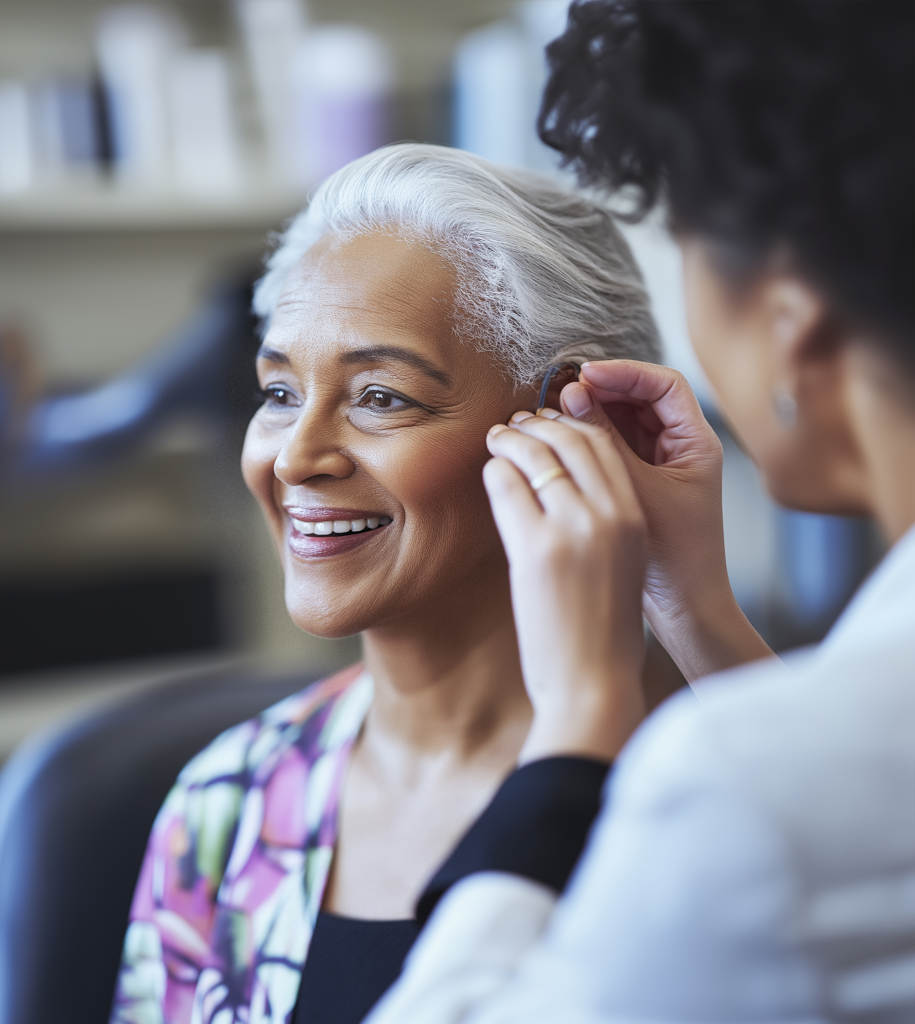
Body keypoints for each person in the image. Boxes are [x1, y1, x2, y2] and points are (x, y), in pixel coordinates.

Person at [364, 2, 915, 1023]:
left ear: (792, 332)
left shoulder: (729, 789)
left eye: (382, 393)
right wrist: (697, 611)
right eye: (275, 389)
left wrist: (579, 714)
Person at [107, 143, 661, 1024]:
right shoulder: (232, 798)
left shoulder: (695, 775)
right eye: (279, 391)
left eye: (379, 396)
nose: (295, 456)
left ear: (577, 425)